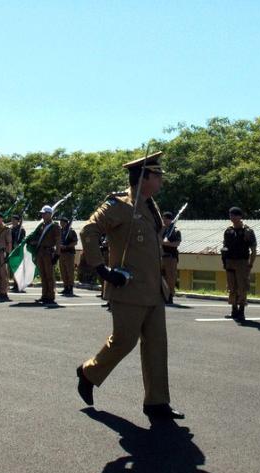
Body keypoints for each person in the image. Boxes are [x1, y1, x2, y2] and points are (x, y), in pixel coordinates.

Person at [75, 151, 184, 420]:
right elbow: (89, 230)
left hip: (153, 289)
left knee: (157, 345)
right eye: (157, 175)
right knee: (124, 341)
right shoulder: (119, 205)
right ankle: (88, 372)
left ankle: (157, 403)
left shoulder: (149, 205)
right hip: (128, 287)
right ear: (144, 176)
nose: (161, 181)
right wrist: (102, 269)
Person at [221, 207, 257, 322]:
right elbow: (225, 247)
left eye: (234, 215)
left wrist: (250, 264)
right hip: (230, 261)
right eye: (230, 215)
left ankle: (241, 310)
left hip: (242, 262)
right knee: (232, 286)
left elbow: (253, 250)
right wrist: (224, 261)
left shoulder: (247, 231)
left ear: (240, 216)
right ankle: (234, 309)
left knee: (242, 287)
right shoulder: (228, 231)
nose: (232, 217)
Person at [27, 205, 62, 304]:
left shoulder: (55, 226)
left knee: (49, 275)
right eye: (42, 213)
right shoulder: (41, 226)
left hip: (48, 252)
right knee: (43, 275)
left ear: (50, 214)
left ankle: (50, 296)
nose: (42, 215)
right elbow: (37, 238)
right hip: (40, 252)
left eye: (44, 213)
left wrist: (57, 254)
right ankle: (44, 295)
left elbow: (58, 241)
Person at [161, 211, 182, 304]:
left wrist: (165, 243)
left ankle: (169, 296)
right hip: (161, 256)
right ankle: (163, 294)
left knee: (171, 278)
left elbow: (176, 244)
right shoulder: (162, 230)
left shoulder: (175, 231)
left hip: (171, 257)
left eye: (165, 219)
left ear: (170, 219)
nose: (164, 221)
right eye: (163, 219)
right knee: (161, 277)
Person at [58, 215, 78, 296]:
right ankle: (65, 287)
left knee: (70, 271)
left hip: (69, 253)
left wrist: (66, 246)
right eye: (60, 222)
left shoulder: (71, 231)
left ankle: (70, 288)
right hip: (61, 253)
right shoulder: (60, 231)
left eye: (62, 222)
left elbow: (75, 242)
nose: (61, 223)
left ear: (66, 223)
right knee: (63, 271)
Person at [9, 214, 26, 292]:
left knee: (18, 268)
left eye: (13, 220)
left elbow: (23, 240)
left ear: (17, 221)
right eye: (12, 220)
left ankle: (20, 285)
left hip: (18, 251)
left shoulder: (21, 230)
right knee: (13, 268)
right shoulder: (11, 229)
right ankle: (15, 284)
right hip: (12, 250)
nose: (12, 221)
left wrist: (18, 244)